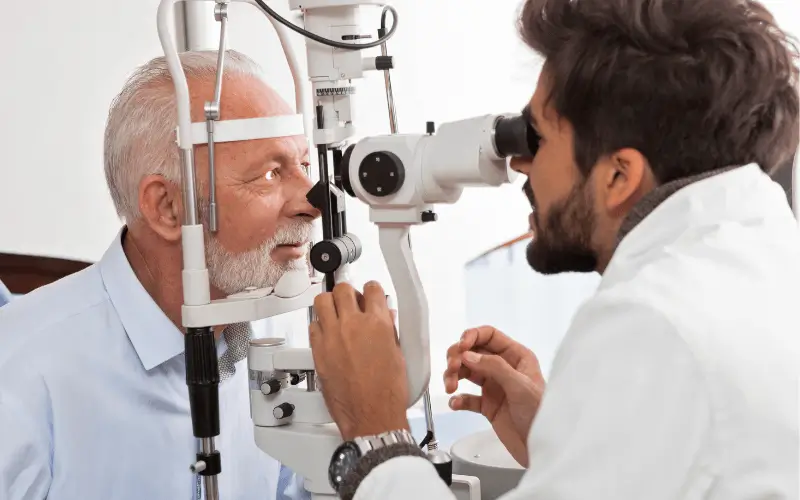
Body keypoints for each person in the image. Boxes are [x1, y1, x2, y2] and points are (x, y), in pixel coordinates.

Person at [307, 0, 800, 499]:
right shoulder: (760, 258)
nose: (519, 162)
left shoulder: (650, 322)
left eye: (536, 136)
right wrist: (564, 436)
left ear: (618, 176)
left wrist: (376, 434)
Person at [0, 50, 319, 499]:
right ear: (168, 208)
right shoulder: (20, 370)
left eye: (304, 165)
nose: (312, 199)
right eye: (269, 173)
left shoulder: (283, 342)